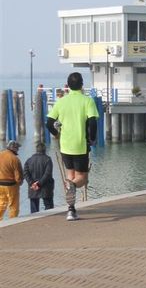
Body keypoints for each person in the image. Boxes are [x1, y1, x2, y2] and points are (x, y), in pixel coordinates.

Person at [46, 72, 99, 221]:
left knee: (70, 177)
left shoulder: (61, 101)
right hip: (80, 144)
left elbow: (48, 123)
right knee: (81, 178)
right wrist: (92, 139)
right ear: (82, 85)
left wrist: (56, 133)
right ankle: (72, 191)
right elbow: (93, 122)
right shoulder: (87, 101)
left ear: (68, 85)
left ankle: (71, 210)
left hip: (65, 146)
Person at [23, 142, 55, 214]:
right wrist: (39, 183)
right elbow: (48, 173)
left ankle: (34, 220)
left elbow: (25, 173)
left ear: (36, 150)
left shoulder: (29, 160)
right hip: (46, 187)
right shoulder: (48, 159)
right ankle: (50, 219)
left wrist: (32, 183)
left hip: (33, 187)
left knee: (34, 209)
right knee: (49, 207)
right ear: (44, 150)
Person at [0, 140, 24, 219]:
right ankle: (12, 221)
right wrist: (19, 182)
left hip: (0, 184)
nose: (18, 150)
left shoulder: (0, 155)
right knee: (13, 205)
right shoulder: (15, 159)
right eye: (17, 148)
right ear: (14, 148)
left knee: (2, 203)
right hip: (11, 185)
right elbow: (18, 175)